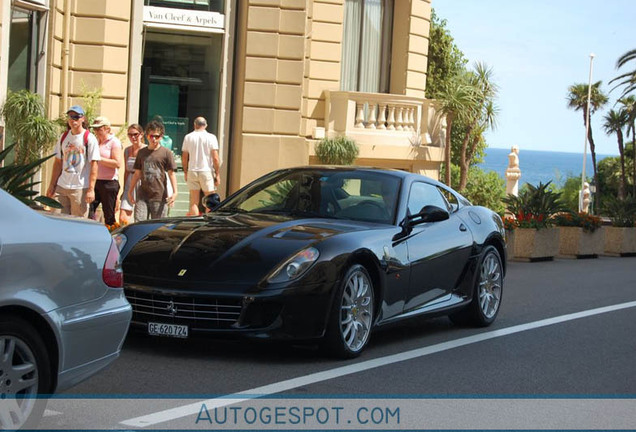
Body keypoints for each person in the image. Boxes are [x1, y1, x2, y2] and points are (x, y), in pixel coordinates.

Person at [46, 105, 100, 217]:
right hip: (62, 186)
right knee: (57, 219)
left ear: (83, 119)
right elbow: (58, 162)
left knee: (78, 223)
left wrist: (91, 189)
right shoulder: (63, 137)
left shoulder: (89, 138)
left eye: (76, 117)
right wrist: (52, 185)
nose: (73, 120)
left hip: (80, 188)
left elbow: (94, 165)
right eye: (70, 116)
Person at [128, 120, 178, 221]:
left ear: (161, 136)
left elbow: (171, 174)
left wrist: (175, 192)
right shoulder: (142, 152)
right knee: (139, 223)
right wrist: (130, 190)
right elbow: (137, 174)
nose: (154, 139)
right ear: (146, 136)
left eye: (157, 136)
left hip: (159, 195)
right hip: (142, 195)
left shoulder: (166, 153)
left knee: (158, 225)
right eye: (151, 136)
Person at [181, 116, 220, 216]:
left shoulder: (188, 137)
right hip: (206, 170)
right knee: (210, 201)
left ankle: (193, 223)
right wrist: (217, 173)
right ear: (206, 125)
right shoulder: (211, 137)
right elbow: (215, 158)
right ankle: (208, 224)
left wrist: (185, 171)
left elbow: (184, 157)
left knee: (194, 202)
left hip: (192, 170)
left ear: (195, 125)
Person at [88, 116, 122, 226]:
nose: (96, 131)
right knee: (89, 210)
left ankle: (112, 238)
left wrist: (99, 158)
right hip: (95, 182)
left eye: (99, 128)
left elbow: (117, 163)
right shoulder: (94, 141)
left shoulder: (114, 142)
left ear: (107, 129)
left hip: (109, 183)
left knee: (109, 216)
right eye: (95, 129)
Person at [119, 124, 146, 224]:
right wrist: (124, 189)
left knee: (140, 216)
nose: (133, 137)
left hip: (141, 183)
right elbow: (126, 171)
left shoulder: (146, 150)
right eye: (130, 135)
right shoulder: (127, 150)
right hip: (130, 182)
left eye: (135, 134)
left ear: (141, 134)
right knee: (123, 217)